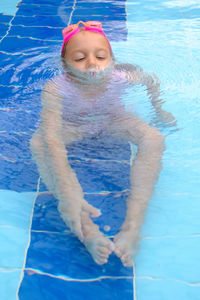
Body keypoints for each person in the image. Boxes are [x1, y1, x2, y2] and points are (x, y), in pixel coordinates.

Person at [30, 21, 174, 267]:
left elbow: (151, 80)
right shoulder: (55, 88)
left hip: (113, 120)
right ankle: (86, 230)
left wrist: (159, 109)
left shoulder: (121, 77)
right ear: (64, 65)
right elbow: (52, 136)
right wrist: (67, 187)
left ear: (112, 60)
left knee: (154, 137)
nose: (92, 64)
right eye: (79, 58)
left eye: (100, 56)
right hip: (74, 126)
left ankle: (133, 225)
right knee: (38, 143)